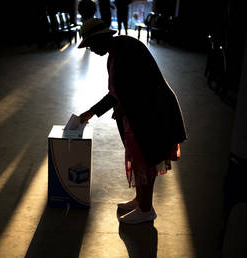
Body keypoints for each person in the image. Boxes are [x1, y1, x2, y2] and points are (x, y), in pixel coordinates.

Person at [77, 19, 187, 224]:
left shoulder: (126, 49)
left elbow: (141, 87)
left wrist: (123, 105)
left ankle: (146, 209)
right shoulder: (117, 51)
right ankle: (141, 200)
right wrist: (92, 111)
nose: (91, 50)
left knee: (146, 160)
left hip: (152, 113)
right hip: (142, 114)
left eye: (91, 45)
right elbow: (117, 92)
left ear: (101, 38)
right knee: (141, 159)